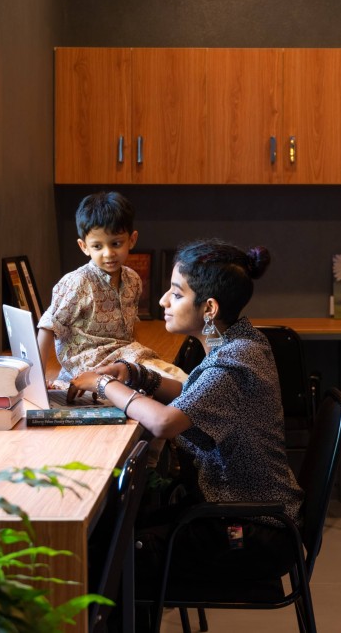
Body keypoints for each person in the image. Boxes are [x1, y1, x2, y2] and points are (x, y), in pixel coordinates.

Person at [72, 238, 304, 587]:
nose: (164, 300)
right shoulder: (241, 343)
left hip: (253, 533)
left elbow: (165, 423)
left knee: (102, 556)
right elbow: (196, 398)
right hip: (231, 514)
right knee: (112, 534)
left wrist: (102, 384)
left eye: (177, 294)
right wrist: (136, 375)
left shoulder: (234, 361)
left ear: (209, 308)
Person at [36, 191, 184, 391]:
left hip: (127, 360)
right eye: (97, 246)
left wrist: (138, 358)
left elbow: (131, 330)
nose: (108, 253)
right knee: (177, 385)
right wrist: (36, 380)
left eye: (116, 243)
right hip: (91, 366)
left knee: (179, 382)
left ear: (131, 240)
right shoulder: (78, 282)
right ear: (84, 246)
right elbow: (48, 326)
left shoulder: (133, 280)